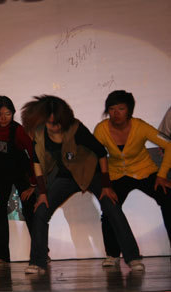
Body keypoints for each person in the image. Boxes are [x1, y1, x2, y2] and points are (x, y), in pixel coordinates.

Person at [21, 95, 143, 274]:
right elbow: (37, 162)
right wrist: (42, 193)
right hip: (66, 176)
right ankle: (37, 262)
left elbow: (101, 153)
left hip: (90, 172)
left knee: (112, 207)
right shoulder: (40, 133)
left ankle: (133, 258)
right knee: (41, 210)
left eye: (57, 123)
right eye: (50, 123)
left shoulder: (76, 128)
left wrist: (106, 185)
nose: (54, 127)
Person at [93, 90, 171, 267]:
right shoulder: (101, 128)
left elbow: (168, 144)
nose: (116, 113)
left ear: (129, 110)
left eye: (121, 108)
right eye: (112, 109)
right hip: (117, 174)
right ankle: (112, 254)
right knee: (109, 206)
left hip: (144, 171)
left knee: (168, 198)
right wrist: (105, 183)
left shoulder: (139, 126)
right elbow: (95, 154)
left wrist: (162, 174)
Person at [0, 96, 36, 267]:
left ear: (13, 114)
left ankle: (41, 253)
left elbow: (34, 155)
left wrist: (33, 185)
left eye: (8, 114)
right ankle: (0, 256)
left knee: (31, 211)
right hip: (0, 171)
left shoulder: (19, 130)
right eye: (0, 114)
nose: (4, 118)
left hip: (21, 170)